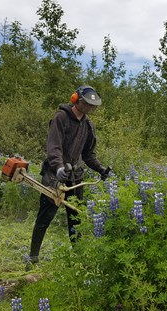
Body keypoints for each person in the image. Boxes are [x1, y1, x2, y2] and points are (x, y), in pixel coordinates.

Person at [28, 85, 111, 266]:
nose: (90, 108)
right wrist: (58, 167)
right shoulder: (61, 118)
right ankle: (32, 258)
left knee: (76, 220)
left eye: (92, 106)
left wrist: (101, 169)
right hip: (55, 176)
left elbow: (88, 155)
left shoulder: (88, 125)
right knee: (45, 217)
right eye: (87, 104)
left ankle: (78, 259)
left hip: (75, 178)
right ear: (76, 100)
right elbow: (54, 147)